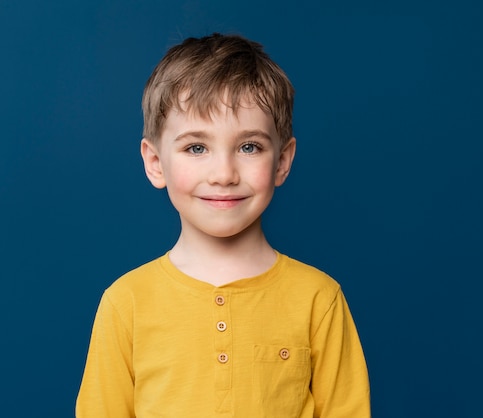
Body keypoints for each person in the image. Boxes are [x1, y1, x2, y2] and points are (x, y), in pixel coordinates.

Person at [76, 33, 370, 418]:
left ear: (282, 161)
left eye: (249, 147)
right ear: (155, 163)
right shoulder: (126, 303)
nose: (224, 174)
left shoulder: (319, 299)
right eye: (196, 147)